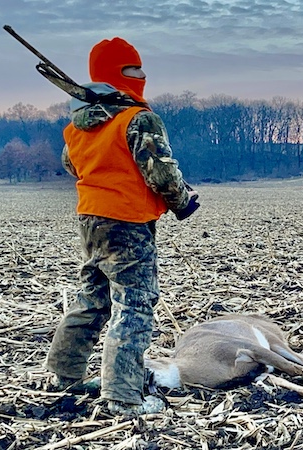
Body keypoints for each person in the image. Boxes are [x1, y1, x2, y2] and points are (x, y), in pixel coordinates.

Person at [45, 36, 199, 416]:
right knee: (134, 305)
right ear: (116, 73)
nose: (142, 74)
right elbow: (160, 171)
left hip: (91, 219)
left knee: (92, 297)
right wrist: (183, 202)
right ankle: (123, 396)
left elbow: (72, 165)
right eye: (133, 68)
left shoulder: (79, 124)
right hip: (128, 221)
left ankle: (63, 375)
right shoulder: (138, 118)